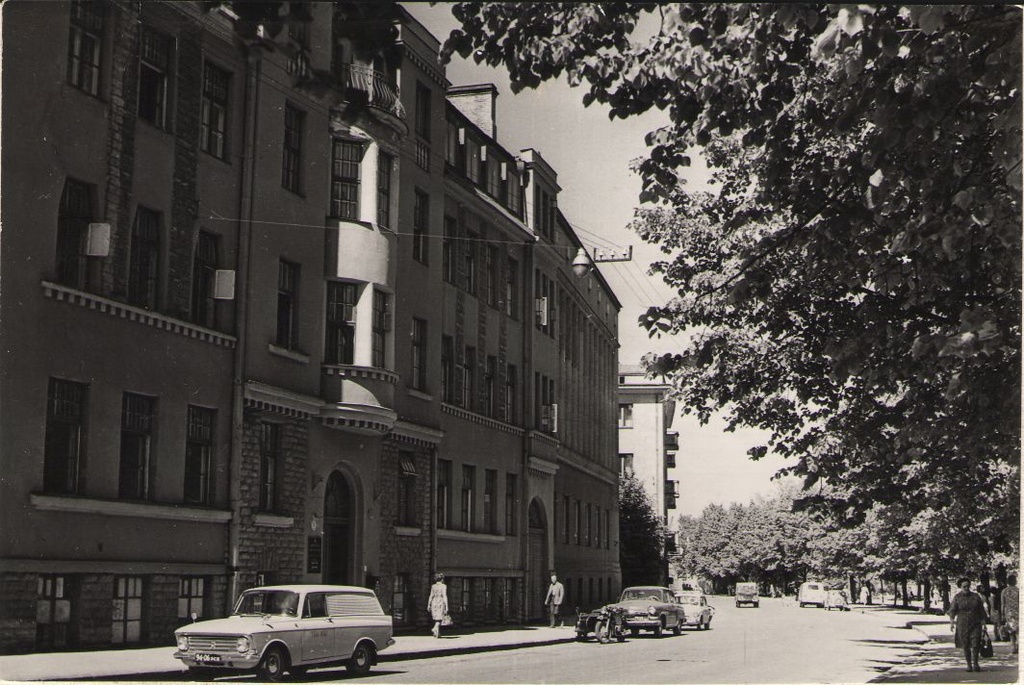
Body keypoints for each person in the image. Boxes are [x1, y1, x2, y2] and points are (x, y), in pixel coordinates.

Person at [949, 577, 990, 671]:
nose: (966, 588)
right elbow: (952, 610)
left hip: (975, 622)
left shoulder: (975, 597)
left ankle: (975, 664)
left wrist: (984, 623)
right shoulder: (957, 597)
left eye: (968, 586)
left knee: (976, 643)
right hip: (962, 624)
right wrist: (951, 622)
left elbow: (981, 610)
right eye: (964, 587)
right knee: (965, 645)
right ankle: (968, 665)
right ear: (960, 587)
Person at [427, 572, 449, 638]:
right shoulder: (443, 586)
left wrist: (428, 605)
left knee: (436, 618)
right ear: (442, 579)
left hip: (434, 602)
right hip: (440, 602)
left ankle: (438, 633)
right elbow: (444, 596)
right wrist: (447, 606)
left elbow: (431, 595)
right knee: (440, 618)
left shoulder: (433, 586)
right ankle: (434, 628)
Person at [1001, 575, 1019, 655]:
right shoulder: (1018, 590)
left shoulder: (1004, 591)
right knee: (1018, 630)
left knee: (1011, 632)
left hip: (1008, 613)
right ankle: (1019, 645)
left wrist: (1002, 614)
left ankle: (1013, 647)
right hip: (1018, 612)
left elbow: (1003, 604)